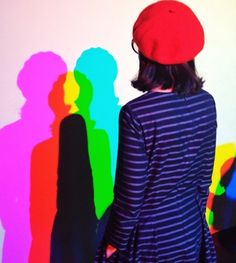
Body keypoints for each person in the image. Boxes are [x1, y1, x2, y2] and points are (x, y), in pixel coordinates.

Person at [94, 1, 217, 262]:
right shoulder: (206, 103)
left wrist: (114, 242)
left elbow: (130, 195)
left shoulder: (136, 114)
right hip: (189, 228)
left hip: (151, 239)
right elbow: (203, 179)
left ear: (145, 55)